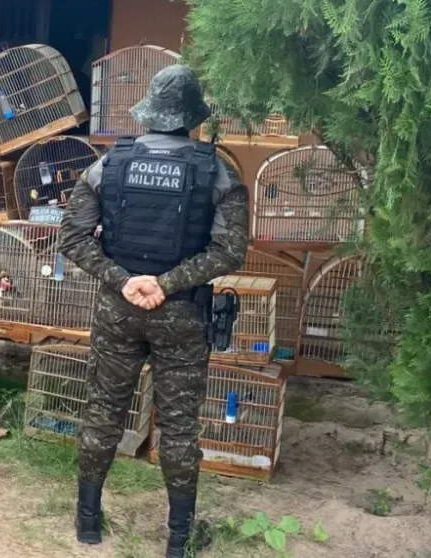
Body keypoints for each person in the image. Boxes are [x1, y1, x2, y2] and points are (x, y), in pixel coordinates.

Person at [58, 65, 249, 557]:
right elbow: (229, 252)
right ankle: (178, 541)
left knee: (103, 412)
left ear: (149, 110)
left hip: (117, 309)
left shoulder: (109, 164)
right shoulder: (216, 170)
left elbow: (73, 239)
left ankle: (87, 525)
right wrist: (165, 284)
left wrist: (126, 282)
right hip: (182, 314)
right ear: (192, 118)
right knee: (181, 426)